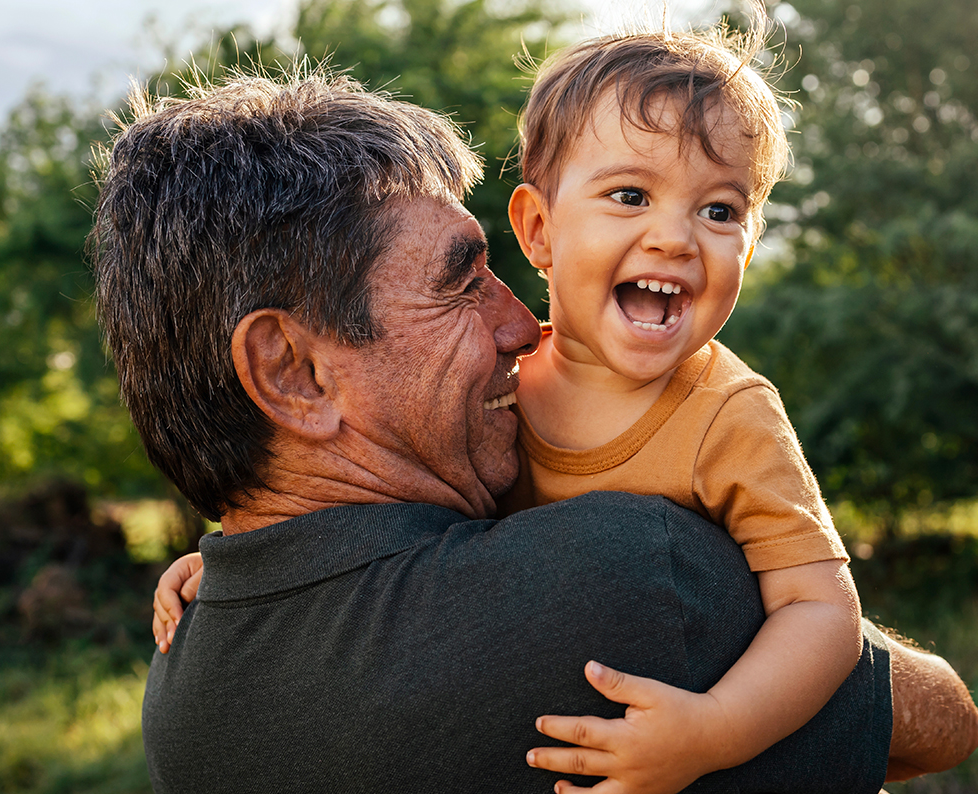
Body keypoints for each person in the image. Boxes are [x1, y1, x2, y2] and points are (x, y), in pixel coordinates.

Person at [96, 69, 977, 793]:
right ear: (295, 372)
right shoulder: (629, 571)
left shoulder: (183, 694)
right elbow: (941, 721)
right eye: (459, 283)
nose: (521, 327)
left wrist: (222, 556)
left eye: (721, 211)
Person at [494, 14, 861, 792]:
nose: (676, 237)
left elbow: (822, 614)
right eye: (630, 194)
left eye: (720, 211)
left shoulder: (729, 413)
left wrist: (716, 731)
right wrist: (228, 561)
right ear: (537, 230)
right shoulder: (495, 383)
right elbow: (377, 501)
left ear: (749, 246)